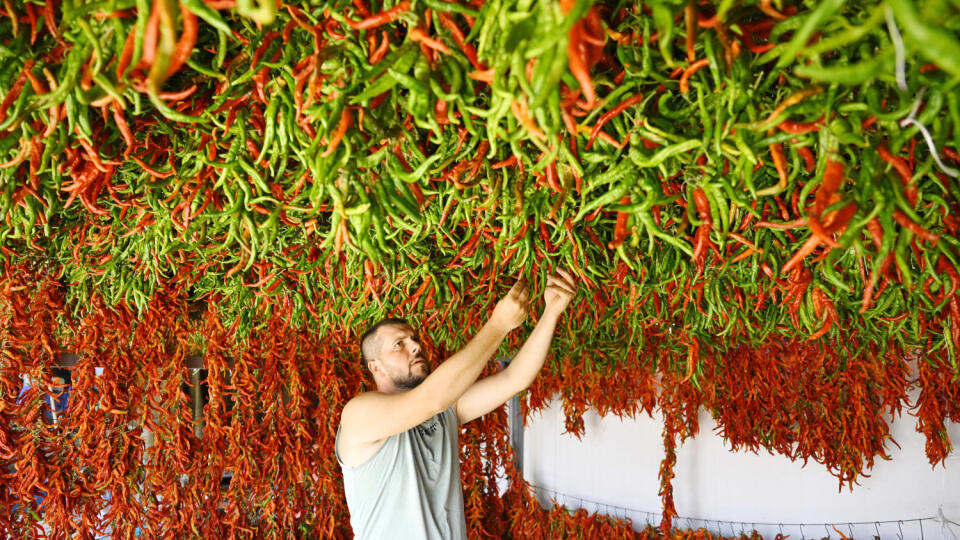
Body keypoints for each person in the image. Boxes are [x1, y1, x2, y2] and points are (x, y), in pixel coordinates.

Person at [335, 268, 577, 539]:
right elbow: (432, 399)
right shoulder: (358, 415)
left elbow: (514, 379)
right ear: (375, 367)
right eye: (399, 344)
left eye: (414, 339)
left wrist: (552, 311)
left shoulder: (446, 411)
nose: (415, 346)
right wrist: (498, 325)